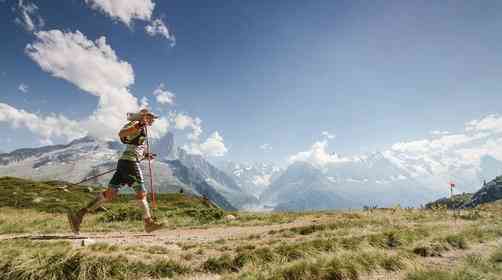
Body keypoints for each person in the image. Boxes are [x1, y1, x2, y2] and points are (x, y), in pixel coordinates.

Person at [68, 109, 164, 234]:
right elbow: (121, 134)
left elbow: (133, 145)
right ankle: (148, 223)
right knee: (141, 193)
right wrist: (140, 124)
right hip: (130, 163)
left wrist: (145, 155)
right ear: (144, 117)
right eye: (151, 117)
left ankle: (79, 215)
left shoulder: (142, 128)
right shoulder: (137, 125)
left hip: (125, 162)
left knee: (109, 194)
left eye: (153, 118)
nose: (153, 120)